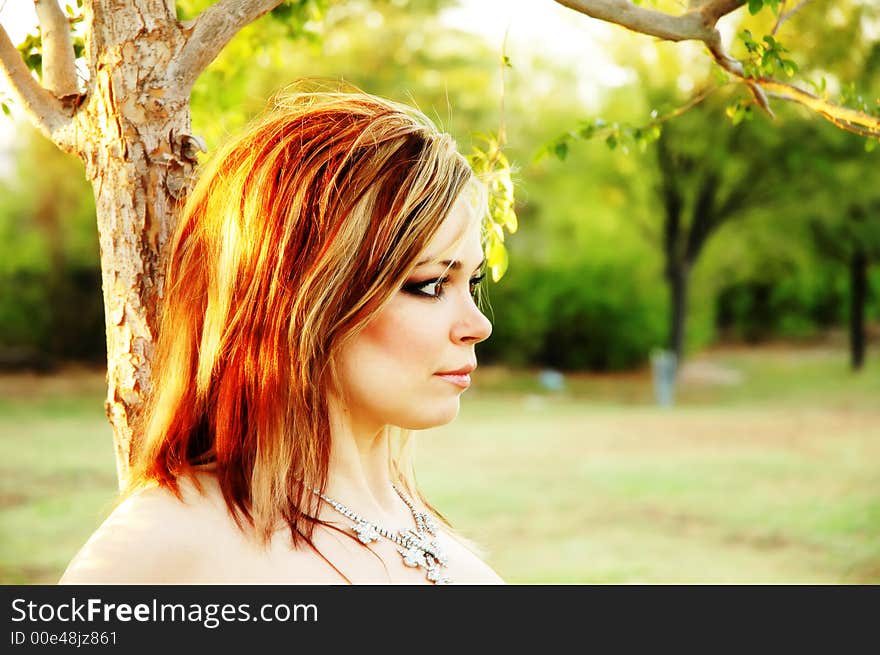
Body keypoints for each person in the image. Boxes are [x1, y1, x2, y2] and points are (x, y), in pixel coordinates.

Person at [59, 89, 504, 584]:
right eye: (429, 285)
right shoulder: (164, 542)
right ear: (304, 300)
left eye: (473, 282)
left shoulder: (433, 538)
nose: (478, 326)